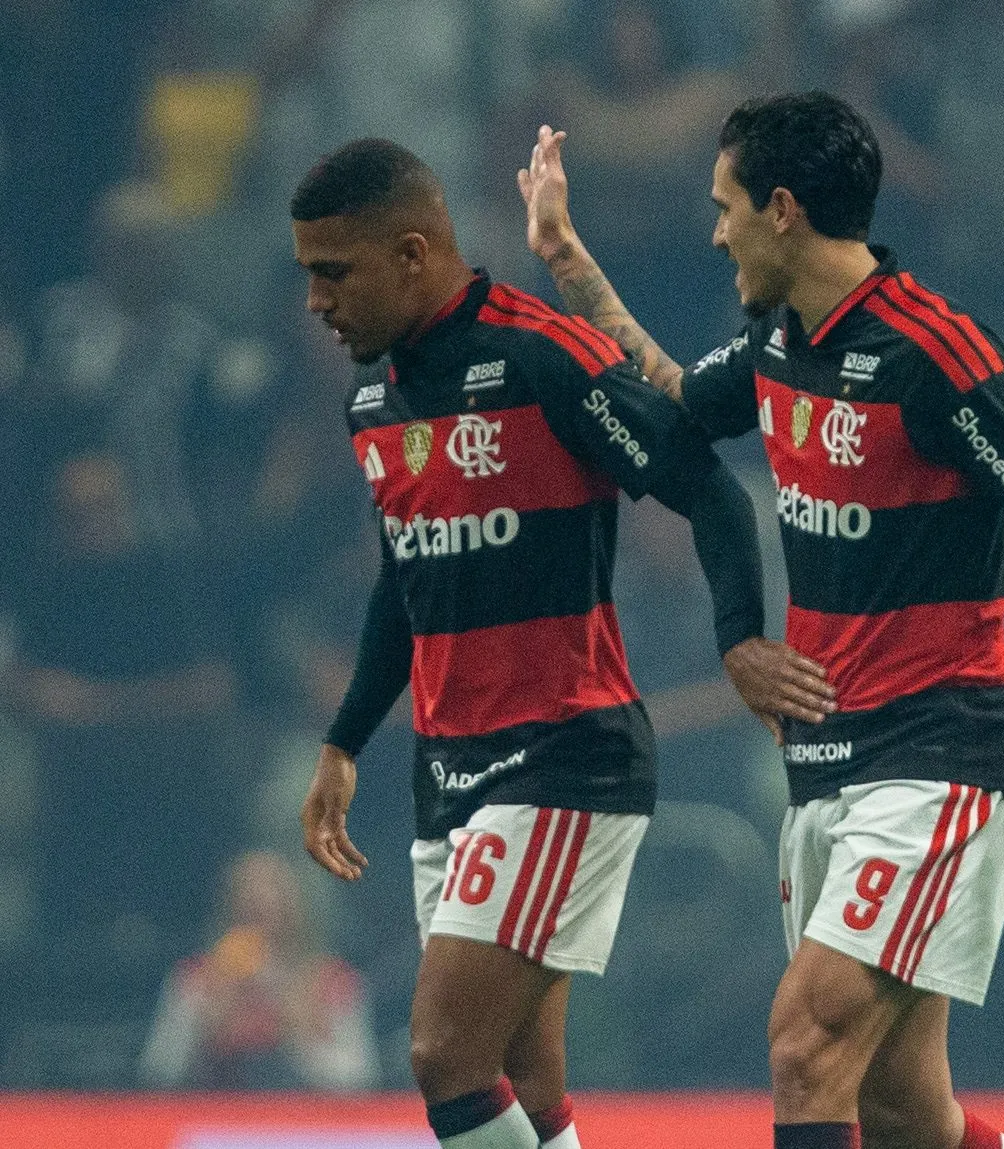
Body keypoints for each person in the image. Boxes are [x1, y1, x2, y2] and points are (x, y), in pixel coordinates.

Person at [519, 93, 1004, 1149]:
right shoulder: (779, 340)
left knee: (805, 1046)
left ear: (782, 210)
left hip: (938, 754)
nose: (713, 230)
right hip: (828, 764)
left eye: (724, 207)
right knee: (903, 1107)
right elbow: (678, 395)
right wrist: (565, 258)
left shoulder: (938, 353)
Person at [291, 138, 824, 1149]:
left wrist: (740, 639)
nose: (317, 302)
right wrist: (343, 743)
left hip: (560, 758)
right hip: (448, 776)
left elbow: (706, 488)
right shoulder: (373, 399)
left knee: (444, 1054)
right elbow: (407, 579)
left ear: (412, 252)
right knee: (526, 1081)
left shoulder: (543, 358)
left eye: (333, 272)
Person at [140, 850, 377, 1091]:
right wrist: (201, 1023)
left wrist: (298, 1032)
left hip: (302, 1122)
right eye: (247, 899)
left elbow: (358, 1077)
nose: (256, 906)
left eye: (269, 898)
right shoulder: (197, 981)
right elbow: (159, 1074)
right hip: (215, 1120)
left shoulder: (332, 984)